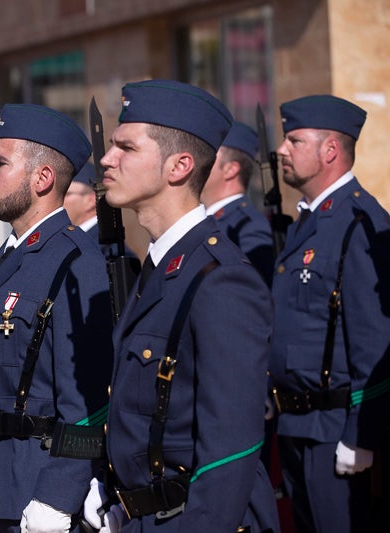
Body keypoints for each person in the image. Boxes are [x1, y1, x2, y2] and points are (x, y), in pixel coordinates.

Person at [84, 80, 279, 532]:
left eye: (125, 148)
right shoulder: (161, 265)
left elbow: (230, 453)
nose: (108, 159)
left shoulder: (221, 279)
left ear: (179, 166)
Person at [0, 103, 114, 531]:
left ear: (42, 178)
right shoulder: (8, 256)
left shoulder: (75, 261)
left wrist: (59, 495)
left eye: (1, 161)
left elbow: (87, 401)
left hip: (40, 492)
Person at [268, 94, 390, 533]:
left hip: (334, 429)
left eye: (294, 140)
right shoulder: (311, 220)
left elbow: (373, 339)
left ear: (330, 151)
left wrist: (361, 434)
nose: (282, 149)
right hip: (297, 423)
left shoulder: (359, 223)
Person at [200, 121, 273, 286]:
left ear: (230, 169)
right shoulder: (208, 220)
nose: (197, 162)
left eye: (207, 155)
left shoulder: (248, 227)